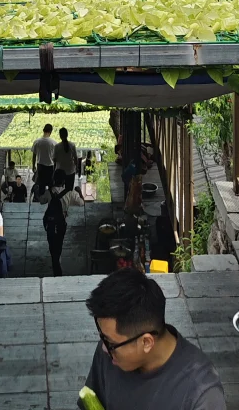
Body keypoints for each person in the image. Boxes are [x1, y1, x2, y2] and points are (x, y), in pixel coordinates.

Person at [84, 268, 223, 410]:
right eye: (103, 337)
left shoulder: (201, 393)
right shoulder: (109, 353)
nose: (104, 348)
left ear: (146, 342)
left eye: (111, 344)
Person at [42, 168, 83, 275]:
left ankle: (56, 268)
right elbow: (81, 203)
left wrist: (39, 190)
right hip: (61, 224)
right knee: (59, 246)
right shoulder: (70, 193)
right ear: (64, 181)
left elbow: (41, 200)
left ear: (54, 179)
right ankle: (57, 268)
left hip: (50, 224)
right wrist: (80, 192)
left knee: (52, 248)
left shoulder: (48, 192)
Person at [32, 122, 56, 199]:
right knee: (51, 186)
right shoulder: (53, 143)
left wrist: (33, 166)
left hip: (40, 166)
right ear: (51, 132)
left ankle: (41, 201)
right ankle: (50, 201)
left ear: (43, 130)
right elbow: (56, 158)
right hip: (50, 167)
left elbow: (34, 155)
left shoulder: (37, 141)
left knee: (41, 186)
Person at [54, 126, 80, 191]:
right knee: (69, 190)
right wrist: (76, 168)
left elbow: (54, 159)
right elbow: (75, 158)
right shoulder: (72, 145)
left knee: (59, 190)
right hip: (71, 171)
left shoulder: (57, 146)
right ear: (67, 135)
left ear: (60, 136)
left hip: (60, 171)